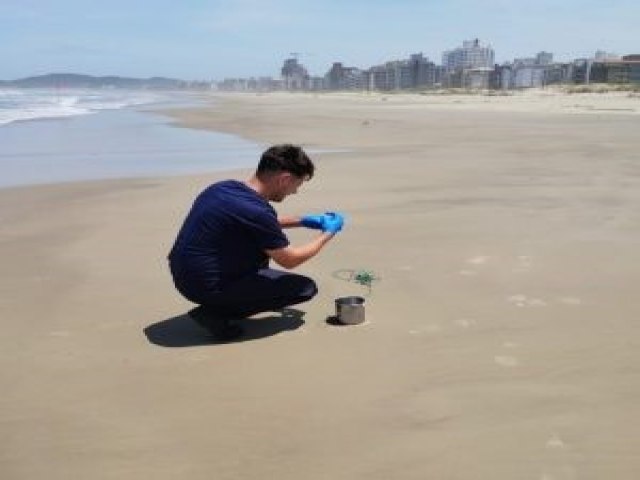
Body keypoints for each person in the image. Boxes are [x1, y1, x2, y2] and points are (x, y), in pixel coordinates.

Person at [168, 144, 345, 341]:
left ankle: (225, 300)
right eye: (297, 185)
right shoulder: (256, 211)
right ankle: (215, 314)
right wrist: (328, 233)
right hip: (204, 285)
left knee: (257, 249)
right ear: (284, 179)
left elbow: (255, 224)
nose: (294, 192)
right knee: (304, 288)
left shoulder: (222, 188)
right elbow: (290, 260)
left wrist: (304, 220)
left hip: (184, 274)